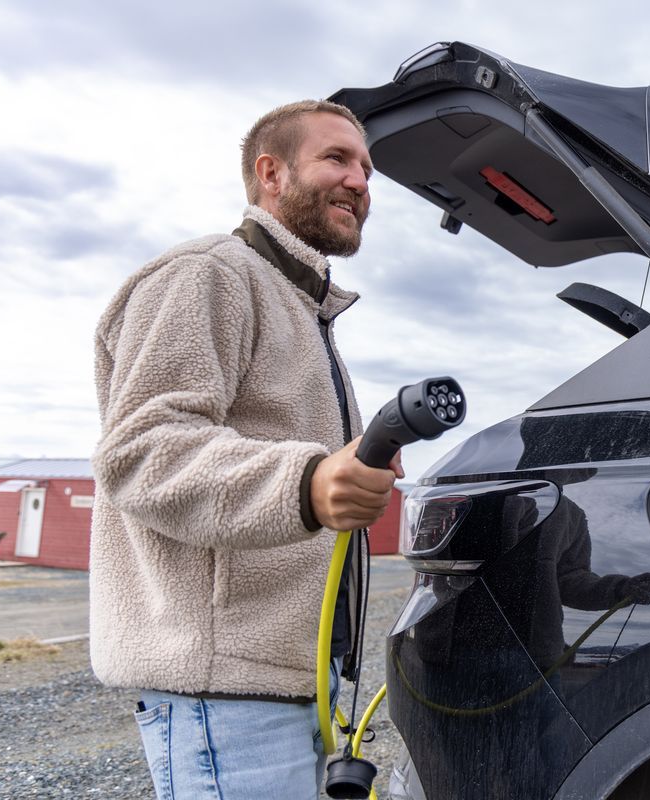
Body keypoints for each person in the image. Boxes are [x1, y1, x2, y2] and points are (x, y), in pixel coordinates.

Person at [89, 100, 401, 799]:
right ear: (271, 173)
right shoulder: (209, 274)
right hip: (224, 695)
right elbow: (142, 451)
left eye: (368, 169)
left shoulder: (303, 307)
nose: (360, 181)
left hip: (293, 686)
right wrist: (309, 482)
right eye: (338, 159)